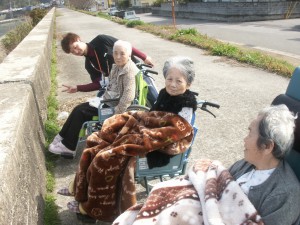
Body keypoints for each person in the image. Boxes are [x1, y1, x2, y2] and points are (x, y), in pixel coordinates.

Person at [58, 56, 199, 222]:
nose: (173, 84)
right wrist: (135, 122)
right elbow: (150, 117)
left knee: (105, 158)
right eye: (169, 79)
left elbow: (174, 133)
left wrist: (139, 136)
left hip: (157, 149)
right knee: (96, 142)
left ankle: (91, 208)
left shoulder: (186, 105)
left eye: (179, 81)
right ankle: (79, 188)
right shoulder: (163, 94)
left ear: (188, 84)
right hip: (144, 138)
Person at [112, 104, 300, 225]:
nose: (244, 139)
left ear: (267, 146)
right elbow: (216, 185)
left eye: (250, 133)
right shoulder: (246, 165)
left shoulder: (285, 194)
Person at [49, 40, 139, 155]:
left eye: (122, 53)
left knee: (81, 112)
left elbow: (128, 97)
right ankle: (62, 136)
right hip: (107, 100)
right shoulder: (116, 67)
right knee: (78, 108)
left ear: (129, 55)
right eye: (115, 53)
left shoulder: (129, 71)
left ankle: (69, 146)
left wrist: (115, 115)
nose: (118, 56)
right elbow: (108, 86)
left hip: (113, 106)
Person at [60, 32, 154, 93]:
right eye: (72, 51)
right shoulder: (89, 65)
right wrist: (78, 88)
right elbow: (98, 84)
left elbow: (126, 46)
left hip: (136, 71)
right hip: (123, 84)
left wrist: (144, 57)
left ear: (78, 39)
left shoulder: (101, 40)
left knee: (154, 98)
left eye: (75, 47)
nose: (76, 51)